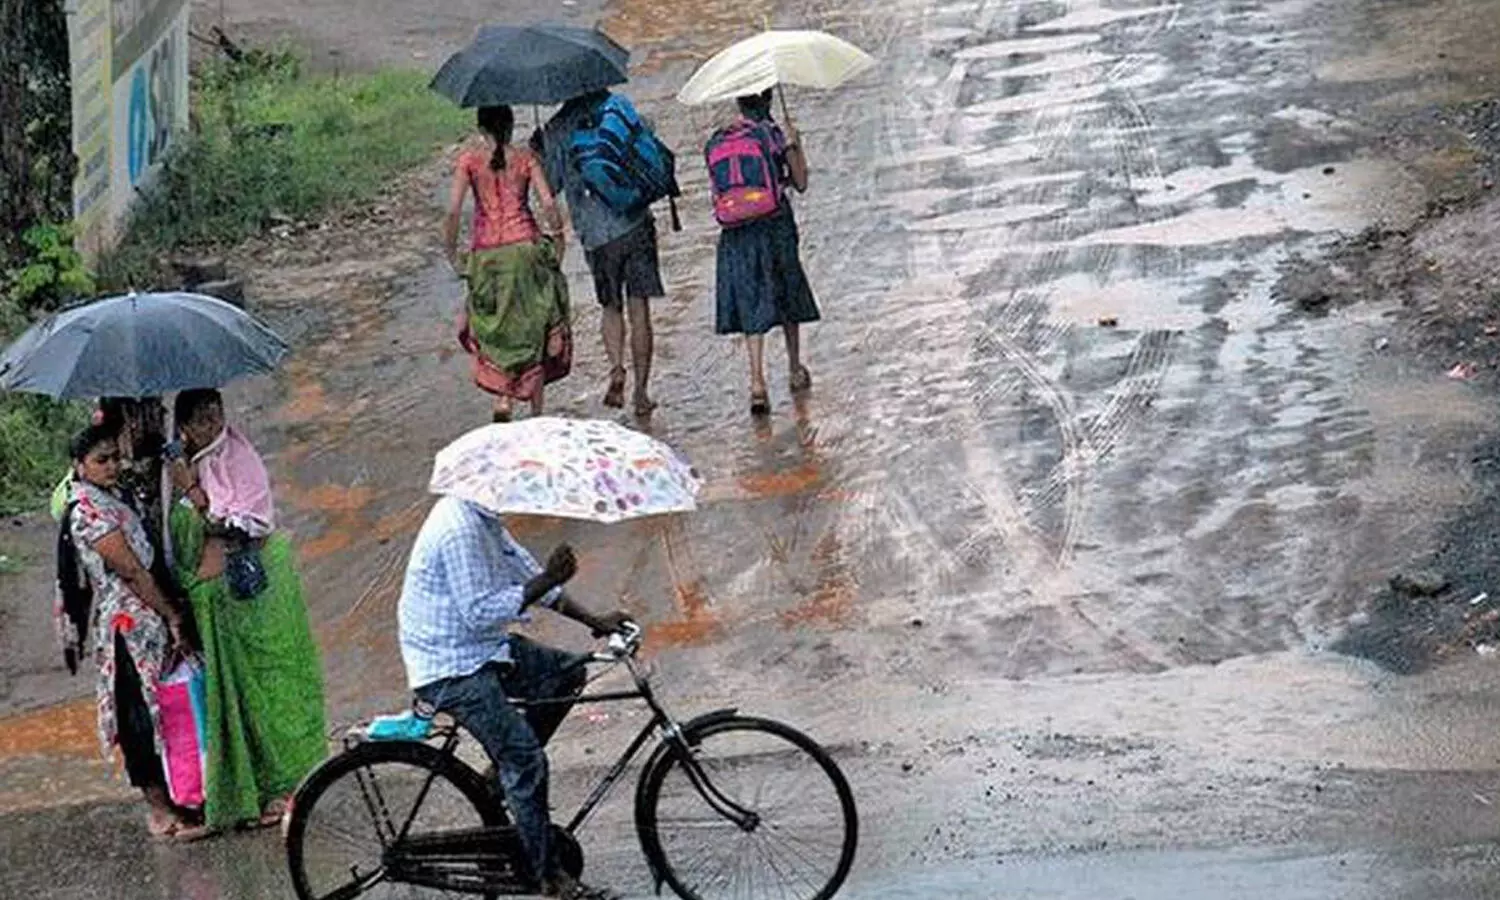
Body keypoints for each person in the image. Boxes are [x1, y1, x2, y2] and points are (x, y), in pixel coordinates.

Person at [397, 496, 631, 899]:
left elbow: (529, 575)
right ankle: (549, 879)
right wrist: (545, 579)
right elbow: (480, 612)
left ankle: (497, 783)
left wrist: (596, 621)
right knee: (526, 760)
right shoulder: (459, 529)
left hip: (477, 648)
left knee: (567, 673)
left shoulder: (484, 519)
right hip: (449, 665)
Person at [167, 388, 328, 831]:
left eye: (216, 416)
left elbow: (245, 524)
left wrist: (194, 493)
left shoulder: (238, 460)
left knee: (268, 687)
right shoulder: (188, 466)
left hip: (254, 599)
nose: (212, 426)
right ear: (183, 428)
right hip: (213, 603)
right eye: (201, 420)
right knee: (231, 699)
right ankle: (249, 791)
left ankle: (284, 787)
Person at [66, 422, 209, 841]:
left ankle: (184, 796)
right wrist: (170, 613)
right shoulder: (88, 511)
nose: (111, 465)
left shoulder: (113, 498)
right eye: (101, 460)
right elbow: (129, 569)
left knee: (166, 709)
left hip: (147, 620)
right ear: (80, 466)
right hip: (127, 627)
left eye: (114, 457)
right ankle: (160, 811)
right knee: (137, 717)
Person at [541, 90, 665, 417]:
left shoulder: (557, 128)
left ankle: (616, 369)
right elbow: (646, 144)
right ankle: (641, 393)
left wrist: (541, 149)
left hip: (596, 236)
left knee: (610, 307)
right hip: (634, 222)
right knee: (640, 310)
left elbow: (551, 187)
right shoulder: (619, 106)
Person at [446, 105, 572, 423]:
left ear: (480, 129)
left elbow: (453, 212)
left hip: (487, 253)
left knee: (498, 324)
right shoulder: (526, 158)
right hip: (526, 248)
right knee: (537, 323)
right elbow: (547, 203)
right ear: (512, 126)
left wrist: (451, 252)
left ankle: (504, 399)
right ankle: (537, 412)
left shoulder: (469, 161)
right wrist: (558, 238)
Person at [708, 89, 820, 416]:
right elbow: (800, 182)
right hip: (775, 225)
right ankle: (795, 368)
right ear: (769, 100)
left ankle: (757, 381)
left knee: (749, 299)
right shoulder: (773, 134)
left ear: (739, 102)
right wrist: (795, 144)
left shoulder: (719, 140)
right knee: (787, 293)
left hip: (736, 234)